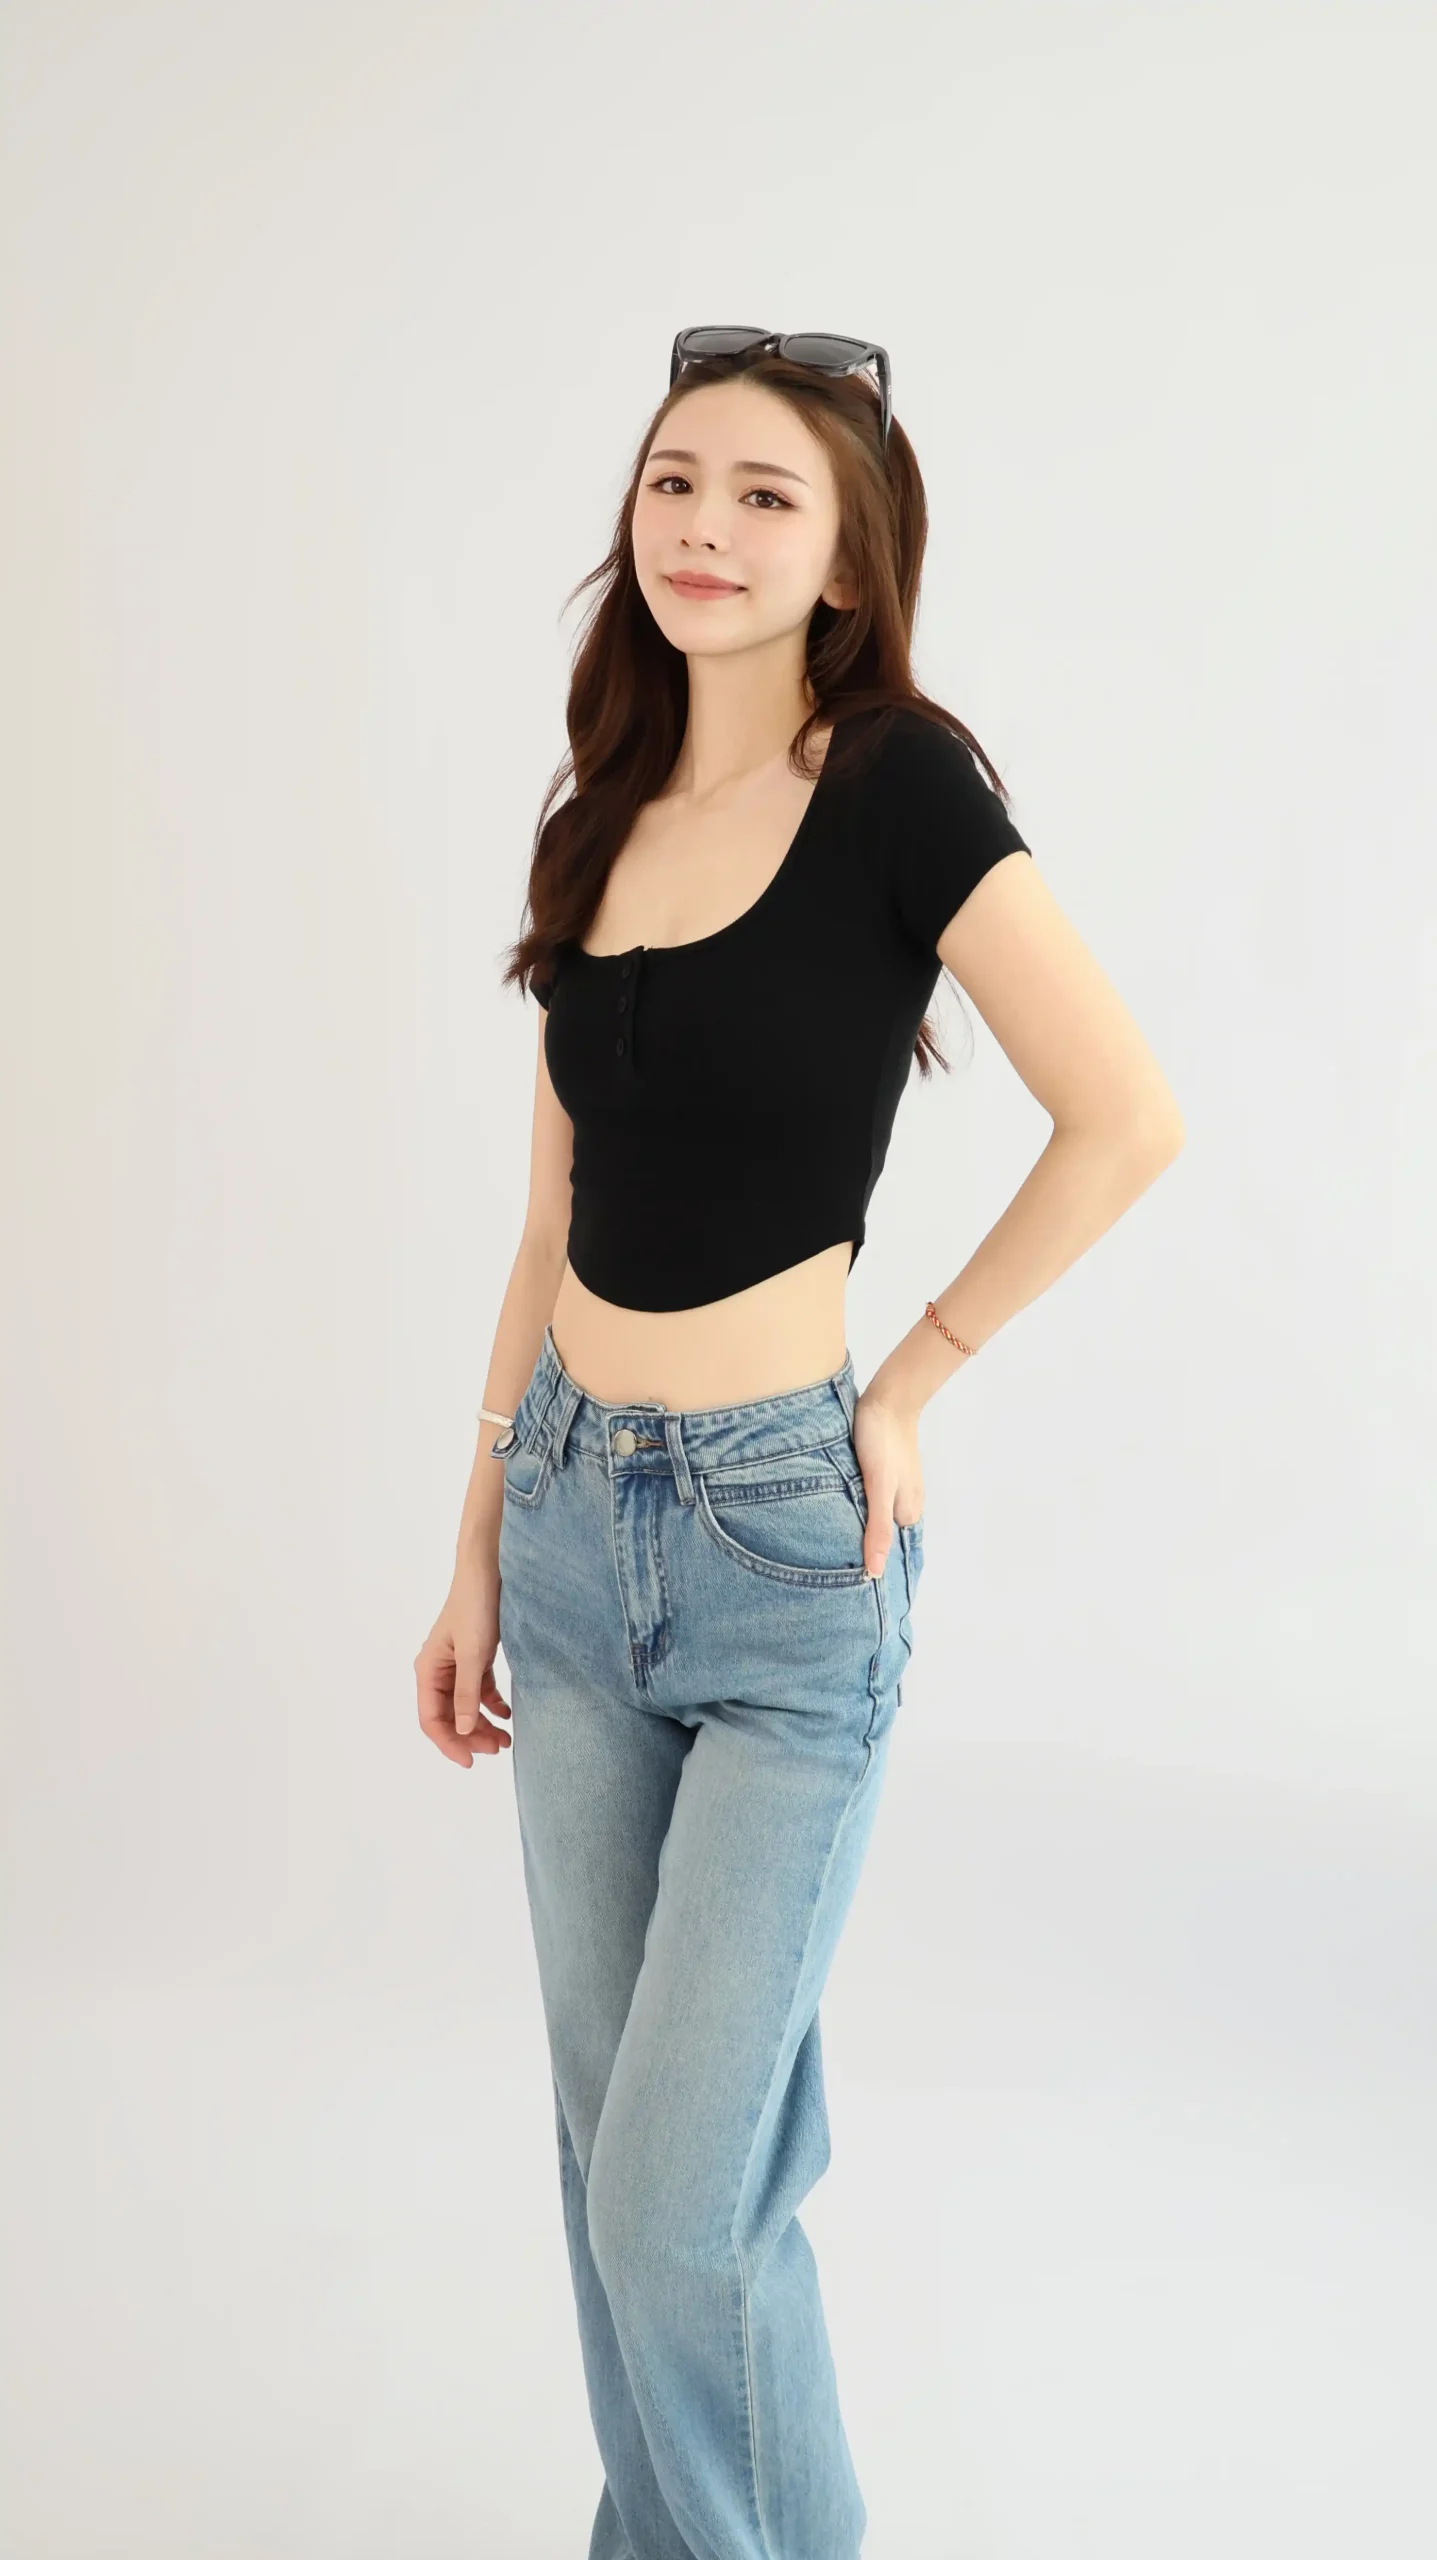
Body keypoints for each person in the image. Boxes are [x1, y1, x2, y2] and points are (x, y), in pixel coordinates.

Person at [414, 327, 1185, 2560]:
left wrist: (909, 1376)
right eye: (675, 479)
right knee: (609, 2168)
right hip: (569, 1527)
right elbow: (548, 1222)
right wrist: (476, 1539)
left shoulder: (900, 789)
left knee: (681, 2205)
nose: (706, 526)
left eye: (766, 494)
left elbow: (1124, 1112)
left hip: (780, 1551)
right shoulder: (600, 816)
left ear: (847, 559)